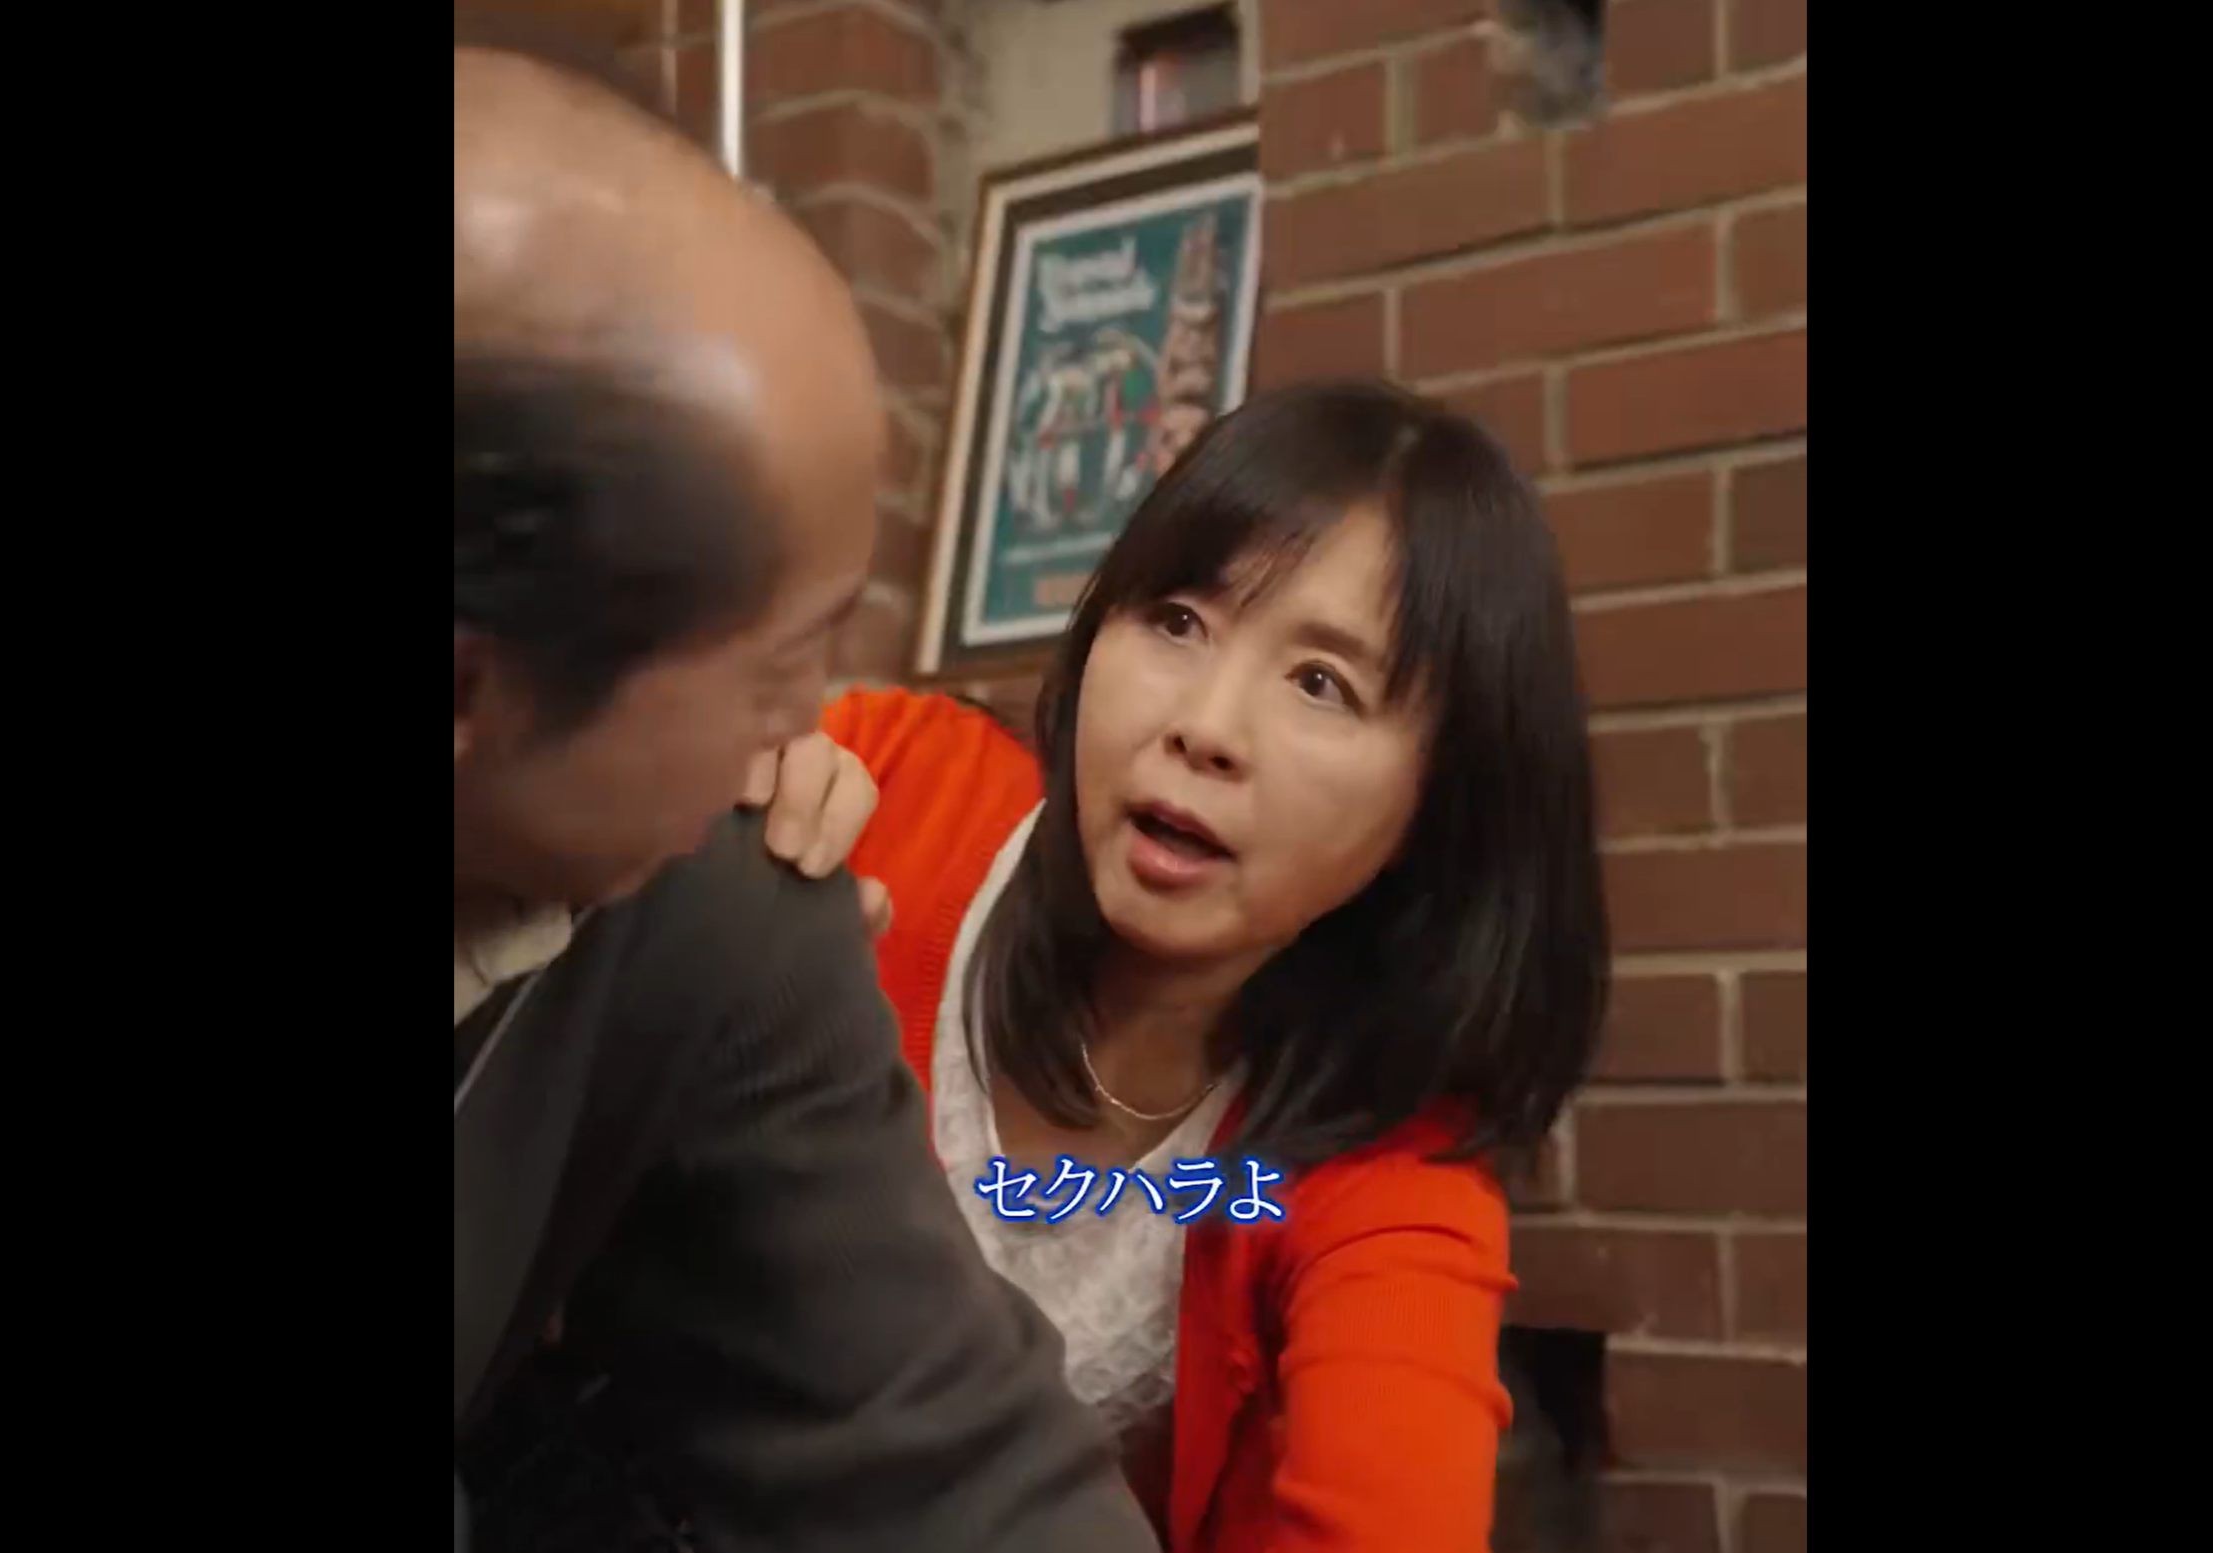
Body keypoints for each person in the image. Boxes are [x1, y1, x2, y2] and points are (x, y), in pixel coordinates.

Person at [451, 33, 1156, 1553]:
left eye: (1328, 689)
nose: (813, 727)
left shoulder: (722, 884)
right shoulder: (895, 823)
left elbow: (957, 1466)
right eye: (779, 663)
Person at [764, 378, 1611, 1552]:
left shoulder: (1382, 1178)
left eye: (1321, 682)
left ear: (1438, 803)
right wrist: (702, 824)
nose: (1206, 724)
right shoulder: (892, 789)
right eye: (1176, 620)